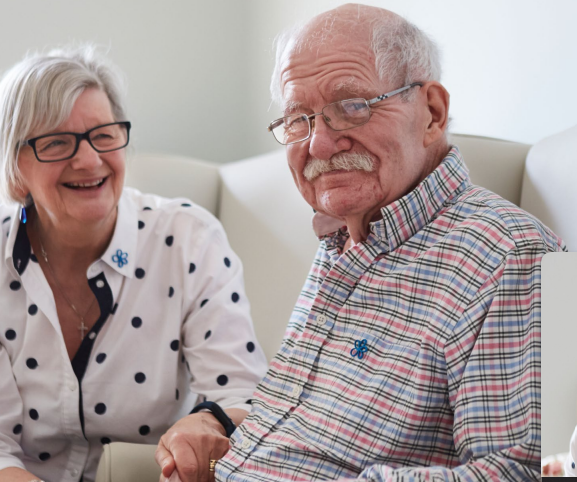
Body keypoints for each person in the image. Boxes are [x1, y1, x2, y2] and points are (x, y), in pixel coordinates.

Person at [156, 4, 566, 481]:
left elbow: (522, 472)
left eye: (351, 107)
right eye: (298, 118)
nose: (319, 145)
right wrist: (215, 425)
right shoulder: (344, 240)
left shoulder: (509, 258)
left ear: (432, 113)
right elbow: (312, 429)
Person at [0, 45, 267, 482]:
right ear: (15, 168)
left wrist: (204, 426)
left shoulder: (189, 240)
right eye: (56, 143)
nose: (88, 159)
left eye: (104, 135)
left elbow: (240, 392)